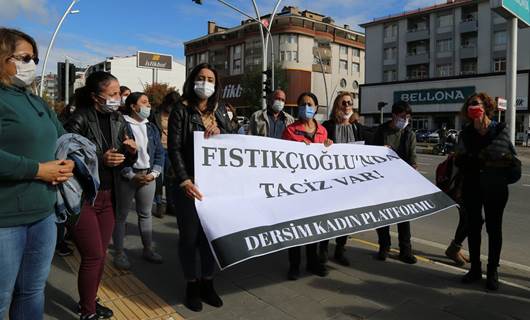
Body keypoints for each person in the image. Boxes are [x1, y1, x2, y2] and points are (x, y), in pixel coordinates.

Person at [0, 27, 74, 320]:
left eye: (35, 58)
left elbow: (61, 138)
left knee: (32, 290)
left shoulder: (37, 101)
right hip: (5, 221)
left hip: (44, 215)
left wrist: (68, 162)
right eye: (24, 57)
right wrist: (37, 170)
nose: (32, 64)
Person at [64, 71, 137, 320]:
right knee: (93, 255)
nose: (119, 98)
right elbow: (66, 153)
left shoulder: (119, 118)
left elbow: (130, 156)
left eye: (119, 93)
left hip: (109, 197)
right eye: (113, 94)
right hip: (83, 198)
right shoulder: (79, 118)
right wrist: (100, 158)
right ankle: (88, 312)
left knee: (100, 254)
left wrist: (131, 152)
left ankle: (89, 301)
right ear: (96, 97)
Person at [168, 63, 233, 312]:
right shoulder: (181, 110)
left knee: (210, 239)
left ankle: (208, 282)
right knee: (189, 239)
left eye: (210, 79)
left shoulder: (222, 112)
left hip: (215, 188)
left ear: (216, 85)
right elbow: (173, 148)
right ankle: (191, 284)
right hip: (188, 185)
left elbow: (235, 138)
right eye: (201, 78)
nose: (205, 82)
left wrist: (222, 130)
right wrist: (184, 180)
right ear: (193, 80)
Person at [456, 93, 515, 291]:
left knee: (494, 228)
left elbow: (501, 153)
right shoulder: (465, 133)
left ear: (486, 106)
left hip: (496, 187)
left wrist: (475, 158)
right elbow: (460, 160)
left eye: (475, 104)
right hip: (472, 186)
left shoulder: (499, 128)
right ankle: (475, 270)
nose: (472, 108)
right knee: (473, 227)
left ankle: (492, 271)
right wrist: (484, 159)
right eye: (469, 105)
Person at [282, 92, 333, 280]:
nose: (306, 107)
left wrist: (328, 147)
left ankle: (313, 263)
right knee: (295, 229)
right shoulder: (290, 131)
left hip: (317, 189)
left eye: (310, 104)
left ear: (316, 107)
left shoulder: (323, 131)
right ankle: (294, 265)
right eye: (302, 104)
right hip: (296, 189)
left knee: (314, 228)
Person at [112, 92, 165, 270]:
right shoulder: (121, 124)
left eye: (148, 103)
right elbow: (117, 153)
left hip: (148, 176)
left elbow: (159, 153)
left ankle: (148, 249)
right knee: (121, 216)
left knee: (145, 214)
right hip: (127, 176)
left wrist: (154, 173)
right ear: (133, 106)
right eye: (144, 103)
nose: (148, 106)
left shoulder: (151, 127)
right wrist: (131, 175)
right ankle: (119, 253)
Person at [320, 92, 365, 267]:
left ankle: (340, 249)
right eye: (343, 103)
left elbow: (369, 148)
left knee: (346, 218)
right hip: (331, 182)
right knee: (327, 217)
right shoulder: (327, 126)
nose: (347, 106)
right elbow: (318, 147)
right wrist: (324, 145)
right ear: (336, 107)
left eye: (350, 103)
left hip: (350, 183)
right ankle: (322, 252)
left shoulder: (357, 128)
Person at [372, 100, 418, 264]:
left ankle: (405, 250)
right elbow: (370, 153)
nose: (405, 120)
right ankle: (384, 247)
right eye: (402, 117)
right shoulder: (381, 131)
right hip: (382, 181)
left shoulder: (409, 134)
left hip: (401, 182)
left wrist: (413, 170)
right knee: (383, 216)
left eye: (408, 117)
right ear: (394, 115)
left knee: (403, 217)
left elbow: (412, 159)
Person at [150, 91, 180, 218]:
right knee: (158, 178)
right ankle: (158, 204)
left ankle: (170, 204)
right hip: (159, 149)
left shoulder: (178, 113)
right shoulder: (155, 113)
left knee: (170, 179)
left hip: (172, 149)